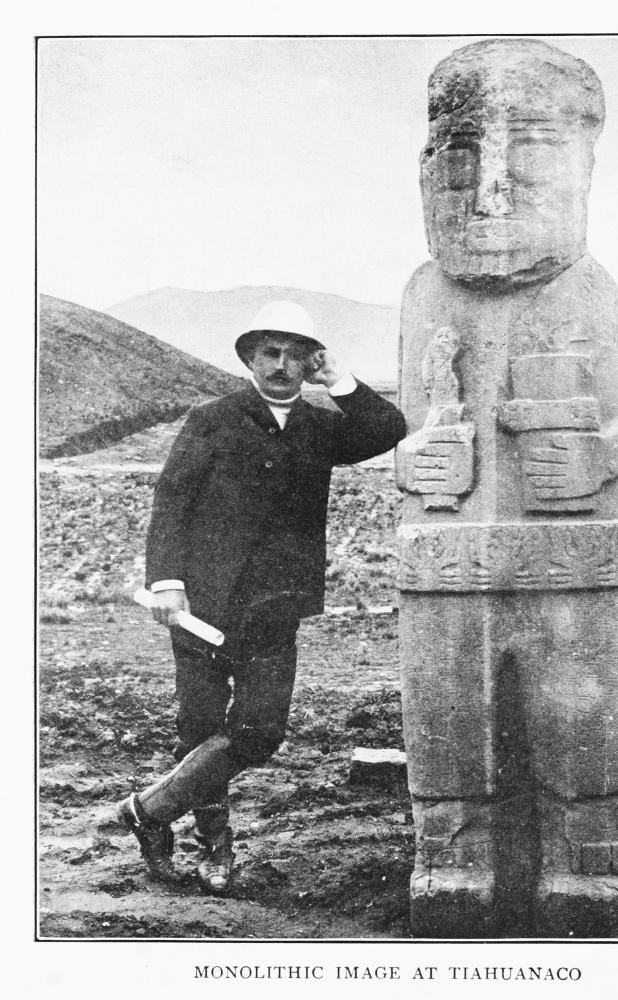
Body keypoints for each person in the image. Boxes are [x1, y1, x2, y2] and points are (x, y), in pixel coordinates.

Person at [117, 300, 406, 893]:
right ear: (250, 359)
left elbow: (388, 428)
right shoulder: (212, 419)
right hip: (203, 605)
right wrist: (168, 582)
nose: (280, 365)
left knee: (260, 731)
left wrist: (338, 378)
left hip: (277, 605)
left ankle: (147, 811)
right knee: (200, 725)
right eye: (269, 353)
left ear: (309, 364)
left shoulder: (320, 427)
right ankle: (214, 848)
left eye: (294, 356)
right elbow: (172, 501)